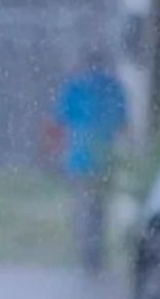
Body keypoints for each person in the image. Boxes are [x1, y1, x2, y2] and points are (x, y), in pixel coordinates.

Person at [53, 49, 128, 275]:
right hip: (105, 159)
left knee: (83, 206)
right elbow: (123, 124)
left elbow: (60, 121)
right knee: (99, 209)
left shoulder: (76, 88)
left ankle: (85, 252)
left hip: (80, 158)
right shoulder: (113, 89)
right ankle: (95, 253)